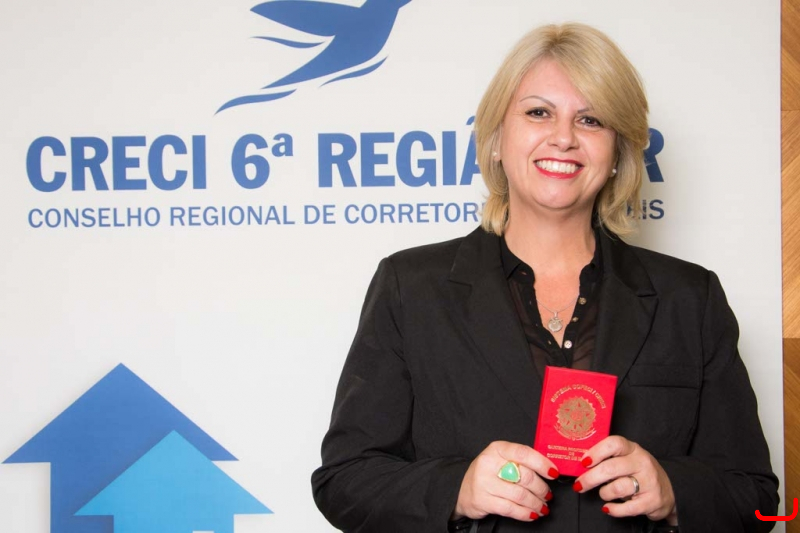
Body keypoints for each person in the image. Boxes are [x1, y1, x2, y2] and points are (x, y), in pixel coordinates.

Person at [311, 22, 779, 532]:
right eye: (538, 112)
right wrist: (457, 489)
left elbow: (757, 499)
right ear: (496, 139)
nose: (563, 137)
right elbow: (344, 480)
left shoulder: (689, 297)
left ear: (618, 153)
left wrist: (672, 491)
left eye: (591, 120)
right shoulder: (410, 287)